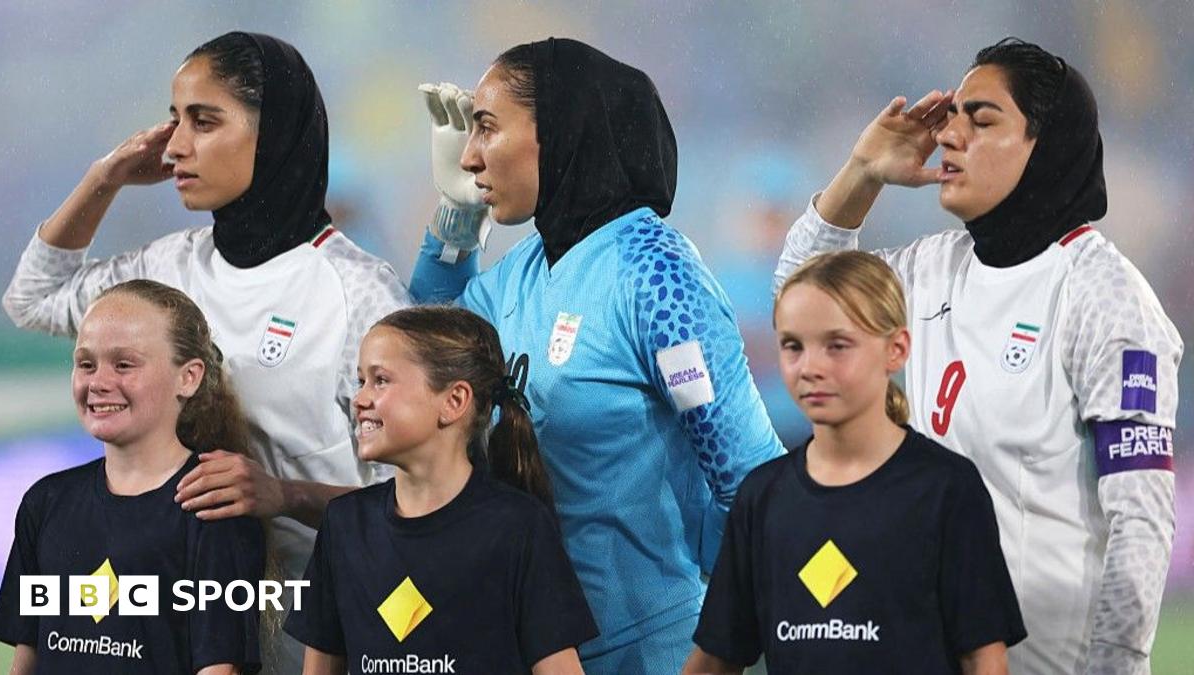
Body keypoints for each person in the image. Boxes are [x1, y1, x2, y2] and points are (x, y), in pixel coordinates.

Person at [0, 31, 411, 670]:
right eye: (175, 120)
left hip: (331, 641)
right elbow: (33, 298)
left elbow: (420, 502)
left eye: (205, 121)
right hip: (188, 639)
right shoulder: (168, 268)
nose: (175, 146)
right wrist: (105, 177)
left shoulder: (360, 293)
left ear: (271, 133)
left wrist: (284, 494)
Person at [771, 38, 1180, 674]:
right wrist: (862, 172)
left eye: (981, 121)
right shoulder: (931, 269)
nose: (948, 136)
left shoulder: (1105, 297)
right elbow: (801, 297)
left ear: (1045, 145)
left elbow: (1141, 517)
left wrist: (1116, 664)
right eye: (951, 117)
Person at [410, 38, 785, 673]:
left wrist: (716, 646)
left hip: (655, 652)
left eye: (488, 128)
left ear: (559, 131)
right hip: (529, 648)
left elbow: (750, 482)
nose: (470, 156)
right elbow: (425, 354)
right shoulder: (523, 271)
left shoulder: (657, 277)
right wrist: (455, 219)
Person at [684, 251, 1025, 674]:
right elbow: (716, 661)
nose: (810, 367)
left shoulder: (945, 489)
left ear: (896, 349)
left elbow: (984, 660)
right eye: (793, 346)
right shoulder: (763, 497)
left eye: (837, 346)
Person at [284, 306, 597, 674]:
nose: (360, 399)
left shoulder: (517, 527)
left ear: (454, 401)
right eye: (361, 381)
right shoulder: (344, 525)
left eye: (380, 380)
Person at [0, 280, 266, 674]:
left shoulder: (213, 507)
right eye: (86, 364)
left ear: (188, 377)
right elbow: (27, 657)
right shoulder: (46, 502)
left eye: (124, 364)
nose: (99, 382)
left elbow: (218, 667)